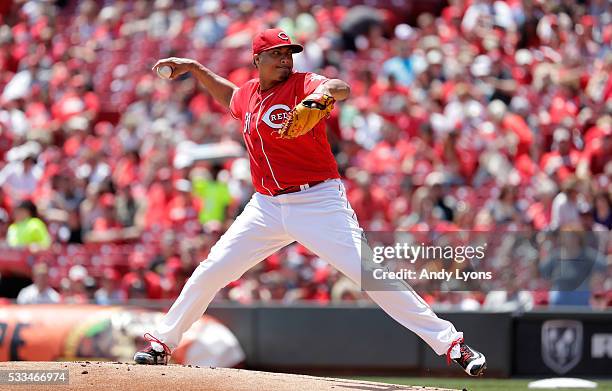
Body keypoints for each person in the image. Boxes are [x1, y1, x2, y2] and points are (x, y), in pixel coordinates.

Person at [134, 28, 486, 376]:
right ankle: (162, 343)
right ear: (257, 59)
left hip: (317, 200)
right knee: (212, 270)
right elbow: (231, 97)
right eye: (277, 54)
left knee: (372, 275)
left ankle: (451, 344)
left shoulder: (302, 84)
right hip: (266, 207)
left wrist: (321, 97)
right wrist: (196, 69)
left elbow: (338, 86)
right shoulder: (249, 95)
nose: (286, 59)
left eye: (289, 53)